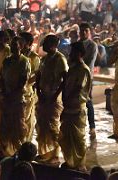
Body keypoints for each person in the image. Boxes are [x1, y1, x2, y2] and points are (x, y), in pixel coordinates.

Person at [59, 41, 91, 171]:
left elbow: (78, 88)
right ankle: (70, 161)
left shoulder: (83, 70)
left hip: (77, 108)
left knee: (78, 138)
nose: (70, 54)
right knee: (66, 136)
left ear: (79, 53)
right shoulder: (72, 68)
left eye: (72, 52)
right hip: (68, 107)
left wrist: (66, 99)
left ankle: (78, 164)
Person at [35, 35, 68, 163]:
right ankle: (44, 152)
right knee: (42, 125)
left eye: (47, 43)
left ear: (54, 44)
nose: (44, 46)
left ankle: (54, 154)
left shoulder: (60, 59)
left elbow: (64, 79)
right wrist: (38, 90)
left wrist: (55, 95)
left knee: (53, 126)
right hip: (43, 95)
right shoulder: (44, 59)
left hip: (54, 96)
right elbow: (39, 75)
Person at [0, 36, 31, 156]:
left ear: (21, 47)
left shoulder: (24, 61)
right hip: (7, 96)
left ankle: (18, 150)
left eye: (15, 45)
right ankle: (5, 149)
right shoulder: (7, 60)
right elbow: (3, 77)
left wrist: (13, 93)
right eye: (12, 45)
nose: (13, 47)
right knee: (5, 124)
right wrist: (4, 91)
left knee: (18, 125)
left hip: (17, 97)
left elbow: (24, 79)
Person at [20, 32, 40, 141]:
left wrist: (25, 83)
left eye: (21, 41)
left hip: (27, 93)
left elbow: (37, 75)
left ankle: (25, 144)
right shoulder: (18, 55)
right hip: (16, 92)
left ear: (28, 43)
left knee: (26, 121)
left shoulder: (34, 57)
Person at [79, 22, 98, 139]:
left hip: (87, 77)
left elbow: (89, 62)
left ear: (89, 32)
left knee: (88, 101)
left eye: (86, 31)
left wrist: (79, 62)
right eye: (82, 31)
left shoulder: (93, 45)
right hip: (76, 76)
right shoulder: (77, 44)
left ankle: (92, 127)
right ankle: (80, 125)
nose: (84, 33)